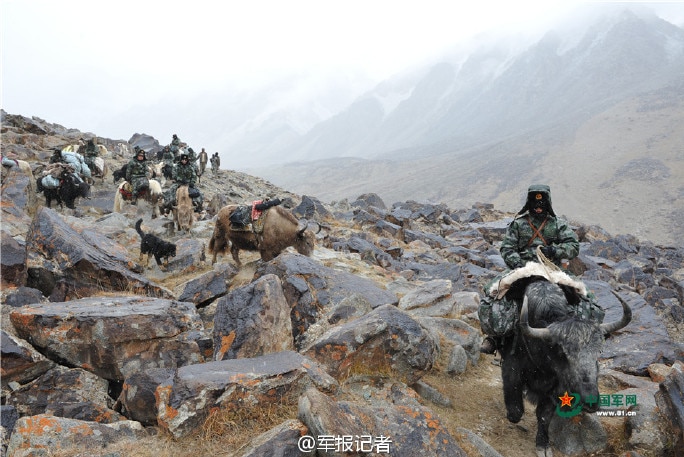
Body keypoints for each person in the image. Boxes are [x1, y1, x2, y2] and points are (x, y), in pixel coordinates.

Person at [479, 184, 583, 354]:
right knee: (495, 292)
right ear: (529, 203)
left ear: (547, 202)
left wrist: (555, 251)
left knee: (583, 296)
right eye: (535, 203)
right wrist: (519, 265)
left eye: (542, 203)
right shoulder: (518, 224)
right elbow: (507, 248)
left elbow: (573, 246)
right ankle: (494, 337)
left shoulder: (558, 224)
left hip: (551, 269)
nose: (538, 207)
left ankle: (583, 335)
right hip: (523, 268)